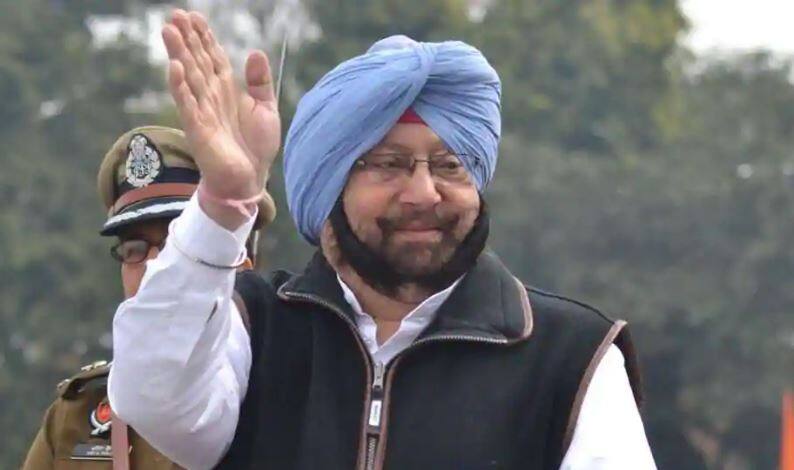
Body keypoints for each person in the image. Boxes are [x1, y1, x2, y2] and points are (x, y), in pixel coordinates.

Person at [108, 9, 657, 470]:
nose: (423, 193)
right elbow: (153, 401)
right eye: (388, 164)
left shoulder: (570, 356)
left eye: (449, 165)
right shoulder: (255, 326)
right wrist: (222, 205)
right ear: (329, 187)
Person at [20, 125, 268, 469]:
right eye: (135, 248)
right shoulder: (77, 417)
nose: (154, 267)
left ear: (241, 262)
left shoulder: (295, 401)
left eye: (178, 248)